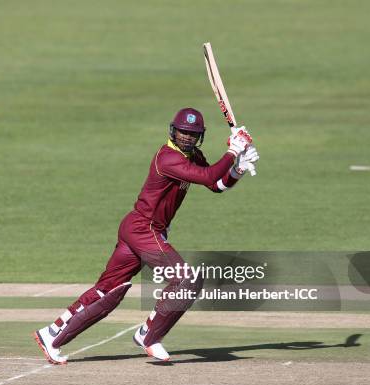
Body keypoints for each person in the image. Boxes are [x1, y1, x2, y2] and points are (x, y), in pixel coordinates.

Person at [33, 107, 259, 364]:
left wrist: (238, 169)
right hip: (144, 229)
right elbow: (208, 175)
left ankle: (51, 335)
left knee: (109, 290)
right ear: (173, 131)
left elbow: (215, 184)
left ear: (199, 137)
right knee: (188, 279)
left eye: (191, 134)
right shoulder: (167, 158)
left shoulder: (193, 155)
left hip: (138, 229)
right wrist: (232, 151)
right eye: (182, 132)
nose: (186, 137)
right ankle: (148, 335)